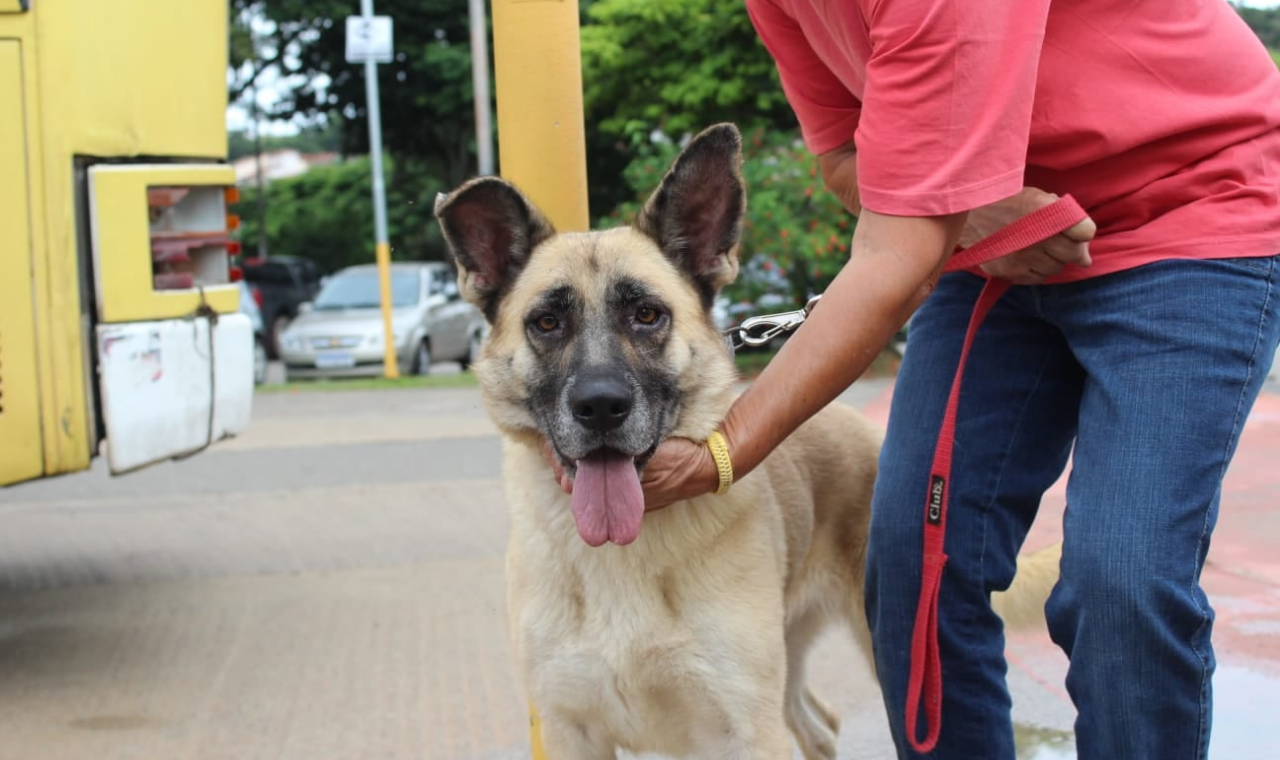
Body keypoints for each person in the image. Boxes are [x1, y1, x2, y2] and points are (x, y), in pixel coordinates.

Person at [552, 1, 1280, 758]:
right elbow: (842, 159)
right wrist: (969, 209)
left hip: (1191, 210)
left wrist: (721, 452)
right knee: (911, 565)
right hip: (986, 236)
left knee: (1120, 580)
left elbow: (893, 257)